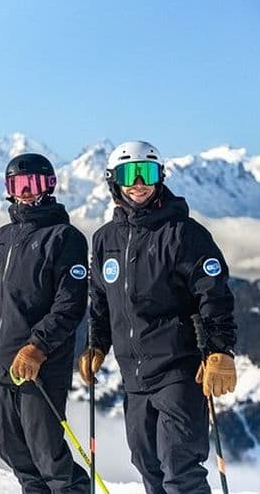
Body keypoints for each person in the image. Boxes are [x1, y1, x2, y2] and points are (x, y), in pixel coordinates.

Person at [78, 140, 238, 494]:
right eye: (128, 174)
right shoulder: (106, 239)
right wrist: (97, 345)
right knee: (147, 465)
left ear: (160, 177)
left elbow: (214, 296)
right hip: (133, 376)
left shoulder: (185, 234)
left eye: (146, 172)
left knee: (180, 470)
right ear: (112, 180)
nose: (138, 182)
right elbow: (101, 300)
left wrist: (219, 351)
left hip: (179, 371)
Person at [0, 153, 91, 493]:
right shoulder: (0, 238)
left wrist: (37, 347)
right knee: (17, 456)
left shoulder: (64, 237)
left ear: (49, 187)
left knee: (50, 459)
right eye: (18, 185)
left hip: (39, 368)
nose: (27, 192)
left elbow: (70, 305)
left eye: (34, 184)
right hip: (1, 365)